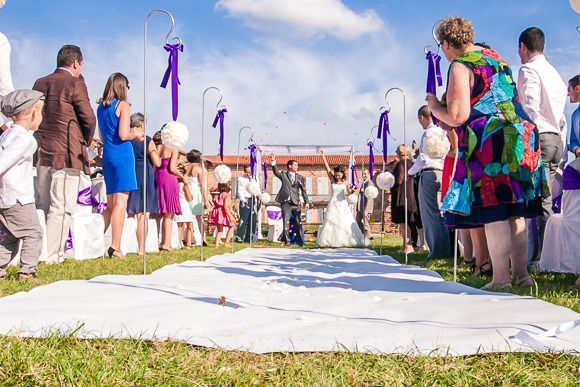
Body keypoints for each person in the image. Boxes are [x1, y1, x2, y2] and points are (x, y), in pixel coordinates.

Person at [429, 17, 546, 291]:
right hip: (521, 137)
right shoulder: (497, 58)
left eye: (442, 48)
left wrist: (435, 107)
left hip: (491, 141)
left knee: (494, 213)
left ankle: (501, 280)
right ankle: (522, 276)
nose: (443, 54)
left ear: (447, 43)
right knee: (515, 211)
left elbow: (458, 115)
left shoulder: (461, 64)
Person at [33, 45, 97, 263]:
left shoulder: (40, 82)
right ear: (76, 63)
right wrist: (85, 143)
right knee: (61, 206)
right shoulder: (75, 82)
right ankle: (53, 255)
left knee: (41, 204)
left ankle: (35, 251)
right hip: (67, 151)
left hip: (41, 151)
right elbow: (88, 117)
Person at [517, 27, 567, 263]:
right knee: (545, 200)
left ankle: (539, 258)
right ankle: (544, 256)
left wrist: (525, 126)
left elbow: (530, 105)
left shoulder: (529, 69)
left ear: (523, 47)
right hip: (556, 138)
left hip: (540, 136)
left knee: (537, 200)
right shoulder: (554, 73)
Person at [0, 90, 45, 283]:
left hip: (6, 197)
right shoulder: (25, 139)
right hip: (19, 198)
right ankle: (27, 272)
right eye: (41, 112)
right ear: (34, 113)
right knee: (33, 232)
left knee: (9, 238)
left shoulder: (8, 134)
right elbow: (4, 161)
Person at [97, 73, 142, 259]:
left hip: (108, 155)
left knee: (110, 205)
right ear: (123, 86)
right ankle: (115, 246)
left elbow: (100, 137)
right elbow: (123, 135)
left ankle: (94, 242)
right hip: (122, 156)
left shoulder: (100, 107)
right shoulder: (123, 105)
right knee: (121, 203)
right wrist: (136, 133)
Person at [408, 105, 451, 258]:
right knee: (441, 212)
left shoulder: (427, 133)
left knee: (429, 214)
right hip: (442, 173)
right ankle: (447, 248)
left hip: (428, 174)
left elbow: (423, 159)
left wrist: (410, 171)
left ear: (422, 117)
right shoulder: (443, 131)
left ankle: (437, 250)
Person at [126, 112, 161, 255]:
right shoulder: (147, 140)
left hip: (131, 174)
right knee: (143, 214)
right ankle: (141, 248)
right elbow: (157, 162)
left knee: (130, 213)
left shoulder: (126, 140)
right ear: (141, 125)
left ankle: (126, 245)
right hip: (145, 175)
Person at [316, 149, 365, 247]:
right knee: (331, 220)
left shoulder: (346, 182)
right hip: (333, 203)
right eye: (336, 174)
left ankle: (347, 239)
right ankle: (330, 240)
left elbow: (348, 193)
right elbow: (327, 169)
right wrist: (323, 156)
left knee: (345, 221)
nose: (337, 176)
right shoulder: (332, 180)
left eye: (339, 175)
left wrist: (352, 190)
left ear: (343, 174)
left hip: (342, 204)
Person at [271, 155, 310, 246]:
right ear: (290, 166)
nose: (297, 167)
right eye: (295, 165)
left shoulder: (300, 178)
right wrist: (273, 162)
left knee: (298, 221)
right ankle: (287, 241)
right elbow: (276, 172)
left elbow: (303, 191)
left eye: (297, 165)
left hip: (296, 202)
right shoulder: (283, 175)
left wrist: (307, 202)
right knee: (286, 222)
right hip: (285, 202)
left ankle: (300, 241)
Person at [388, 145, 420, 254]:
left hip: (402, 194)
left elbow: (400, 179)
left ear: (400, 152)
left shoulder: (402, 164)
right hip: (410, 193)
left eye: (396, 151)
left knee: (403, 221)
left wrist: (390, 181)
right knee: (408, 220)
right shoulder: (412, 163)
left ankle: (408, 245)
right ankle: (405, 245)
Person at [155, 126, 182, 251]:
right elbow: (172, 168)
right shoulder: (173, 148)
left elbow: (156, 166)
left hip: (158, 177)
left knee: (160, 212)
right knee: (169, 213)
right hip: (169, 179)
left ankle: (158, 242)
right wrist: (182, 176)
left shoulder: (158, 147)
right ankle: (166, 243)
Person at [186, 149, 210, 246]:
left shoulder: (186, 168)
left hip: (186, 191)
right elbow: (203, 186)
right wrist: (206, 200)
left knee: (187, 216)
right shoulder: (199, 170)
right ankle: (203, 238)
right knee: (199, 217)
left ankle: (186, 238)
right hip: (195, 193)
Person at [235, 165, 261, 243]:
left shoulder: (255, 179)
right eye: (247, 172)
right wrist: (243, 200)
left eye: (250, 172)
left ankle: (249, 237)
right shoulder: (241, 179)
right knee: (243, 219)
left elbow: (257, 189)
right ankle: (239, 237)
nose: (249, 174)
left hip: (253, 200)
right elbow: (240, 191)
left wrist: (258, 195)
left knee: (252, 220)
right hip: (245, 199)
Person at [208, 183, 235, 248]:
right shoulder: (227, 195)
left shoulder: (218, 195)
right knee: (231, 227)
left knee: (220, 230)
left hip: (218, 213)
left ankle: (216, 245)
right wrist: (230, 216)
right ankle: (227, 243)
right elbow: (226, 206)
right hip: (223, 213)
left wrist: (233, 212)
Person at [175, 166, 195, 248]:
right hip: (185, 206)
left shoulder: (175, 184)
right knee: (190, 225)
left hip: (178, 205)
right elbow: (189, 198)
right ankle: (189, 245)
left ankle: (179, 244)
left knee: (179, 226)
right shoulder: (185, 185)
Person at [355, 168, 375, 245]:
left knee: (366, 223)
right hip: (360, 207)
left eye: (365, 174)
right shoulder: (363, 183)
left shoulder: (369, 183)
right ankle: (364, 235)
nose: (364, 175)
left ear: (369, 174)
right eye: (363, 174)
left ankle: (368, 237)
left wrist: (366, 209)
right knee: (358, 221)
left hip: (366, 208)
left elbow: (370, 197)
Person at [567, 75, 580, 159]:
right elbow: (573, 140)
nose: (568, 94)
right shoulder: (575, 115)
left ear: (577, 89)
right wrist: (576, 149)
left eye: (569, 90)